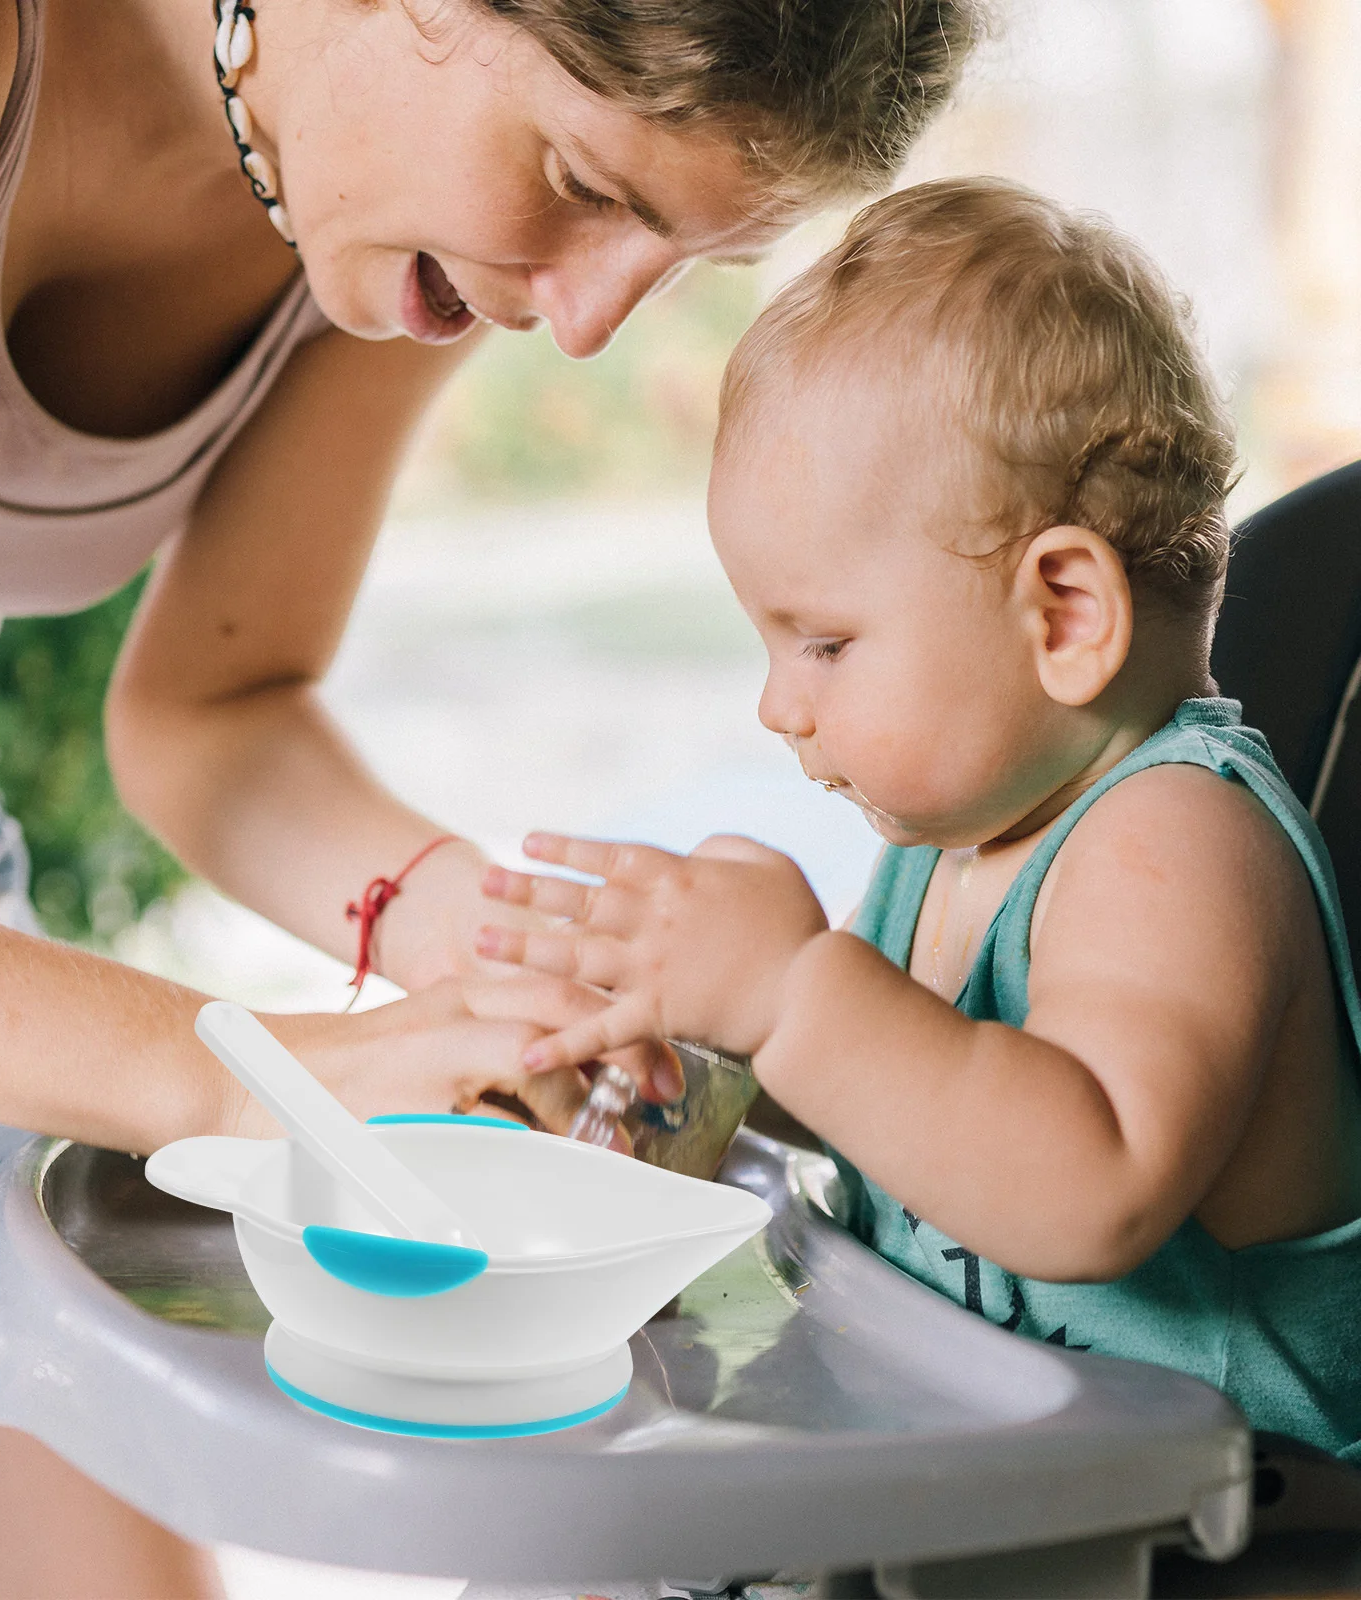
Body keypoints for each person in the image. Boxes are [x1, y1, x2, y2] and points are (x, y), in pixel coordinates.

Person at [0, 0, 976, 1592]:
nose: (592, 318)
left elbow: (218, 711)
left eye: (679, 258)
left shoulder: (389, 211)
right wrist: (267, 1085)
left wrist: (503, 962)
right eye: (588, 183)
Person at [481, 176, 1361, 1459]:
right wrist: (704, 1060)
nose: (779, 704)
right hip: (984, 1465)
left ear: (1062, 613)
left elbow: (1086, 1183)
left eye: (825, 642)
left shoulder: (1178, 839)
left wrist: (792, 993)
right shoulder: (953, 846)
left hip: (1221, 1530)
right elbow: (899, 1104)